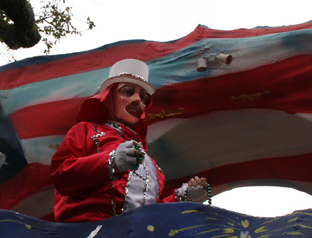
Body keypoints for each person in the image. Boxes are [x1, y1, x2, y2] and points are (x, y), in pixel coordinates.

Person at [51, 59, 208, 223]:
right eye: (128, 92)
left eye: (143, 97)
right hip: (88, 235)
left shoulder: (152, 166)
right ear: (109, 97)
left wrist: (182, 198)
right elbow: (61, 175)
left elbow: (150, 213)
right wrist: (111, 162)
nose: (137, 101)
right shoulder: (86, 131)